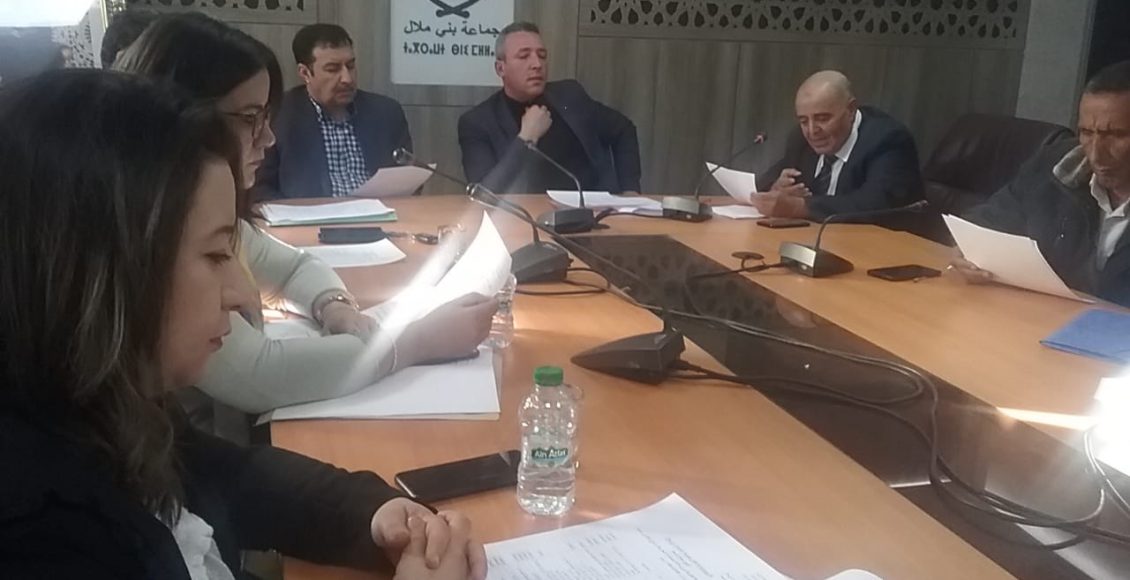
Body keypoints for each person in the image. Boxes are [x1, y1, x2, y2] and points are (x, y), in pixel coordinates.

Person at [0, 69, 485, 580]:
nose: (239, 294)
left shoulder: (104, 403)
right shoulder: (35, 530)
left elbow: (223, 474)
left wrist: (371, 512)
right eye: (214, 255)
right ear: (98, 270)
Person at [115, 13, 496, 442]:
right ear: (176, 119)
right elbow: (262, 374)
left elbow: (296, 267)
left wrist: (334, 306)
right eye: (250, 118)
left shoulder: (208, 218)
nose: (268, 138)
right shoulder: (151, 240)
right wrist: (416, 341)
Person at [954, 60, 1130, 307]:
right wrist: (967, 251)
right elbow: (989, 220)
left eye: (1116, 135)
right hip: (1042, 316)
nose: (1095, 153)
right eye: (1087, 132)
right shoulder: (1055, 164)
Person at [458, 21, 641, 195]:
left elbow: (623, 129)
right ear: (500, 69)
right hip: (527, 214)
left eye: (542, 56)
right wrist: (526, 137)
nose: (537, 64)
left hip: (592, 208)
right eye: (524, 56)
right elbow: (483, 195)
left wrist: (630, 188)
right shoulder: (478, 122)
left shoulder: (570, 95)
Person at [254, 24, 412, 199]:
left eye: (350, 66)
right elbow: (259, 188)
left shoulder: (386, 112)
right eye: (332, 69)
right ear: (305, 73)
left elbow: (407, 178)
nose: (347, 79)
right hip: (312, 214)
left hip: (381, 212)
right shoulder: (279, 115)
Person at [752, 70, 924, 221]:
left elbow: (877, 204)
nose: (812, 131)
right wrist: (775, 189)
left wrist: (799, 207)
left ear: (850, 110)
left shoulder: (887, 140)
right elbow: (763, 184)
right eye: (803, 121)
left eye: (822, 119)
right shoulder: (800, 138)